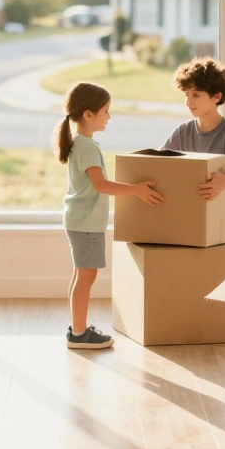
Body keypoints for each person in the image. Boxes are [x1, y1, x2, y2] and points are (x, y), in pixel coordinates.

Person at [55, 81, 162, 349]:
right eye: (106, 111)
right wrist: (136, 190)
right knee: (86, 277)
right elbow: (101, 185)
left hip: (79, 220)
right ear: (88, 115)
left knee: (81, 275)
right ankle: (79, 334)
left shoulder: (81, 143)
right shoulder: (87, 147)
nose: (109, 117)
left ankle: (76, 329)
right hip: (86, 223)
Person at [159, 57, 225, 212]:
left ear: (216, 96)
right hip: (190, 212)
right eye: (186, 95)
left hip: (224, 215)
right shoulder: (182, 132)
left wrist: (224, 181)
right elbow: (156, 163)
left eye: (196, 95)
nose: (188, 102)